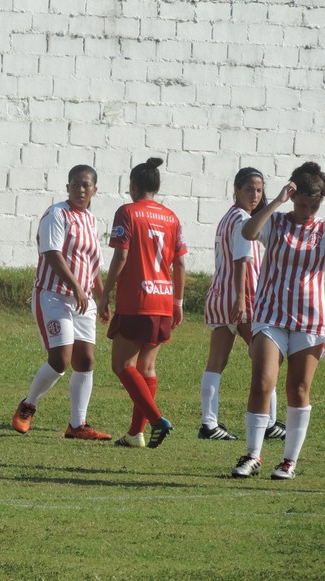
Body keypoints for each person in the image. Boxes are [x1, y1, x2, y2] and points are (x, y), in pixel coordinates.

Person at [230, 163, 325, 480]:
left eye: (312, 206)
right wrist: (275, 201)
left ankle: (289, 461)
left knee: (298, 389)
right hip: (271, 316)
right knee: (262, 382)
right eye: (301, 204)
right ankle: (252, 454)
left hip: (311, 322)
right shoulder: (275, 221)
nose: (306, 211)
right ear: (293, 198)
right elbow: (247, 233)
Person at [12, 165, 109, 440]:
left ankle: (77, 425)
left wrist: (102, 299)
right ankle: (28, 404)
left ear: (94, 190)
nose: (80, 190)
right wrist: (76, 286)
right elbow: (52, 254)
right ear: (67, 186)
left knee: (86, 360)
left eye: (86, 186)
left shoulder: (91, 220)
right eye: (75, 184)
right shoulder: (57, 214)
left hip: (82, 301)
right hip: (53, 297)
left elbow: (94, 265)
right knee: (60, 360)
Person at [98, 157, 186, 449]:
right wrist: (178, 302)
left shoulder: (127, 212)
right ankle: (136, 434)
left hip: (137, 299)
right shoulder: (172, 218)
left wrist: (105, 292)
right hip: (162, 299)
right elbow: (181, 264)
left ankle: (158, 420)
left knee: (122, 365)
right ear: (157, 187)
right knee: (146, 368)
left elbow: (121, 256)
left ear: (133, 186)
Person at [200, 168, 285, 441]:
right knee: (265, 359)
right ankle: (269, 422)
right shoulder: (243, 219)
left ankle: (209, 423)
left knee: (216, 363)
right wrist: (240, 298)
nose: (255, 194)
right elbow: (241, 260)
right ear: (236, 189)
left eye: (259, 190)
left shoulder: (227, 217)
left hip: (218, 296)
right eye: (249, 188)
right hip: (244, 299)